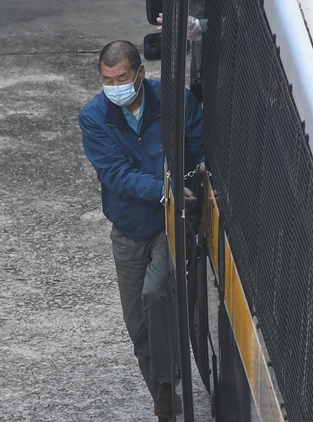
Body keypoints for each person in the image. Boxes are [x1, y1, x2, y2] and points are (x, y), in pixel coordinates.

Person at [79, 40, 203, 422]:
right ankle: (165, 399)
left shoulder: (175, 101)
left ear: (139, 74)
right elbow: (114, 173)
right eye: (106, 79)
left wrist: (190, 192)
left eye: (121, 77)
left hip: (174, 221)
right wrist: (161, 189)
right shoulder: (95, 117)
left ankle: (169, 385)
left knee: (157, 291)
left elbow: (199, 150)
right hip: (131, 227)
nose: (114, 85)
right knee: (139, 329)